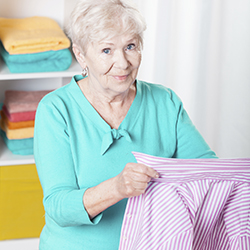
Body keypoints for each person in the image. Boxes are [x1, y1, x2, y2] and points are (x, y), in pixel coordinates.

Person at [34, 0, 217, 249]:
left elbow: (207, 173)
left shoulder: (165, 101)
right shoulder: (56, 109)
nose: (122, 63)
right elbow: (58, 207)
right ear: (80, 54)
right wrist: (117, 188)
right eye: (107, 50)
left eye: (130, 46)